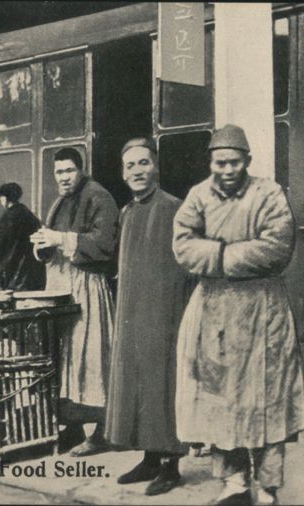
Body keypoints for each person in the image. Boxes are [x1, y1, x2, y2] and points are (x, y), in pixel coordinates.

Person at [172, 125, 304, 505]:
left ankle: (267, 487)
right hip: (215, 310)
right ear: (210, 162)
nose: (226, 169)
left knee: (269, 398)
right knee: (221, 399)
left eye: (234, 162)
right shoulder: (197, 196)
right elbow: (183, 247)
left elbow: (276, 248)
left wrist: (217, 255)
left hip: (264, 310)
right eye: (219, 162)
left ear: (247, 162)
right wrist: (229, 255)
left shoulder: (268, 193)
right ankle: (234, 481)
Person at [105, 138, 195, 496]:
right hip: (132, 311)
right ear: (124, 174)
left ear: (155, 167)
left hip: (165, 312)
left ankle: (171, 465)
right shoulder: (127, 213)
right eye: (130, 166)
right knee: (137, 383)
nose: (137, 171)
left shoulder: (175, 208)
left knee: (163, 383)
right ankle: (148, 457)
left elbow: (188, 264)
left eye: (143, 163)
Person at [30, 147, 118, 457]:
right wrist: (42, 244)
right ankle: (73, 427)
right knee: (65, 361)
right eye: (59, 172)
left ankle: (105, 431)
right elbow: (49, 244)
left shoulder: (99, 196)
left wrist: (62, 239)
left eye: (69, 171)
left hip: (87, 287)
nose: (64, 177)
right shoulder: (58, 202)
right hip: (60, 286)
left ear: (81, 170)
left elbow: (105, 244)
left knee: (91, 359)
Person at [0, 182, 46, 291]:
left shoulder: (7, 218)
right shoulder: (29, 214)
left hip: (15, 274)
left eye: (1, 198)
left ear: (5, 198)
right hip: (34, 271)